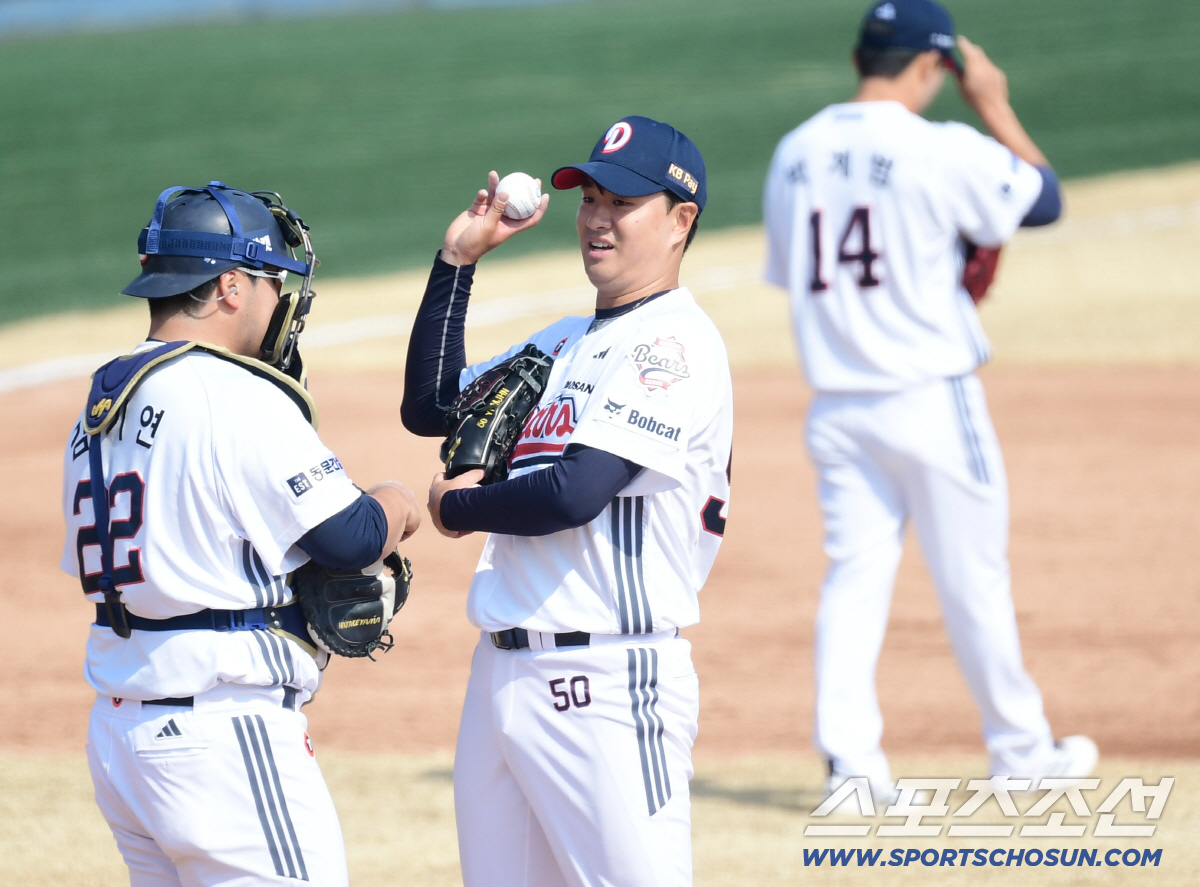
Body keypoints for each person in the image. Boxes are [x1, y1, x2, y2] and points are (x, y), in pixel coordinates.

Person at [762, 0, 1097, 802]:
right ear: (930, 66)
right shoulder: (940, 146)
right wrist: (993, 103)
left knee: (854, 579)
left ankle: (852, 767)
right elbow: (1045, 200)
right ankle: (1022, 754)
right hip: (929, 399)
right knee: (974, 579)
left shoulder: (794, 151)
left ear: (858, 59)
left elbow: (790, 272)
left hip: (837, 408)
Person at [401, 117, 732, 887]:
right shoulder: (560, 341)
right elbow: (430, 405)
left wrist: (458, 510)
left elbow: (578, 489)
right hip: (501, 675)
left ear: (680, 220)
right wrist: (457, 262)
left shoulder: (673, 344)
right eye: (590, 197)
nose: (596, 218)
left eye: (623, 202)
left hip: (608, 678)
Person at [61, 182, 421, 885]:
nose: (278, 299)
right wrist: (398, 503)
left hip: (123, 736)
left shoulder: (103, 401)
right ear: (230, 286)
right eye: (270, 280)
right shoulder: (230, 391)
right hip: (220, 735)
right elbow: (350, 537)